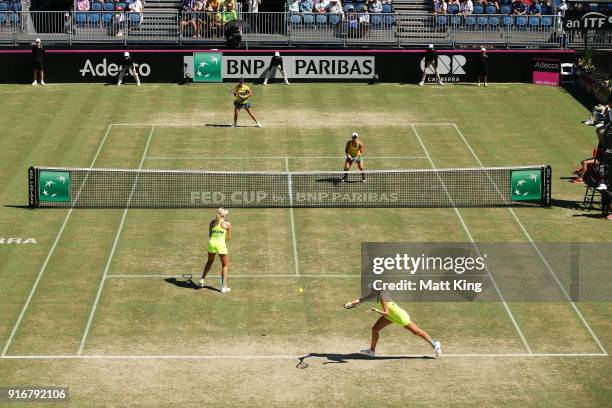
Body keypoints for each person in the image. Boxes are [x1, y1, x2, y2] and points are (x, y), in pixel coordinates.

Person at [344, 286, 442, 358]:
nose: (370, 289)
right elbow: (362, 299)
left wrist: (376, 310)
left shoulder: (383, 297)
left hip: (399, 316)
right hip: (390, 316)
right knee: (375, 329)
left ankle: (435, 344)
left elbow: (386, 312)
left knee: (416, 331)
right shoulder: (376, 294)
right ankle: (372, 351)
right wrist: (351, 303)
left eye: (372, 288)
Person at [199, 208, 232, 293]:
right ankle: (223, 287)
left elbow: (210, 235)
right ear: (224, 215)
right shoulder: (227, 224)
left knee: (209, 261)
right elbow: (228, 239)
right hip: (221, 245)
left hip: (211, 243)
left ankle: (202, 279)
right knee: (225, 265)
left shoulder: (212, 223)